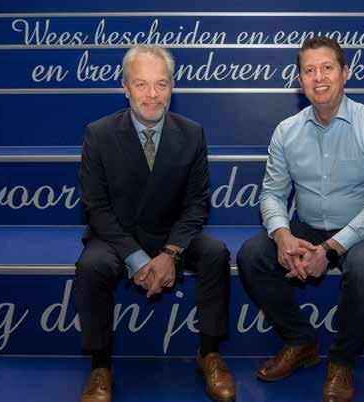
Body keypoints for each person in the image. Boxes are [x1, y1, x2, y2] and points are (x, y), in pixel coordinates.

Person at [236, 36, 364, 402]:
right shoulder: (287, 131)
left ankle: (341, 361)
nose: (319, 77)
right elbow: (272, 194)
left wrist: (328, 249)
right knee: (252, 255)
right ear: (300, 80)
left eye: (327, 68)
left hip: (361, 229)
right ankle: (301, 342)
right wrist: (282, 236)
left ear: (345, 73)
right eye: (309, 70)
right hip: (307, 225)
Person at [75, 44, 235, 402]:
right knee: (91, 266)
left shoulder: (192, 133)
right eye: (141, 84)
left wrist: (170, 253)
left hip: (171, 233)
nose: (152, 94)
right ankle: (100, 366)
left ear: (172, 87)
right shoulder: (98, 134)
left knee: (216, 254)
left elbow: (196, 203)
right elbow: (96, 207)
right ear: (125, 88)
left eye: (161, 84)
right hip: (117, 235)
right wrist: (136, 258)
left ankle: (209, 353)